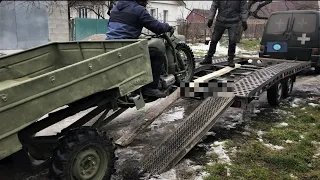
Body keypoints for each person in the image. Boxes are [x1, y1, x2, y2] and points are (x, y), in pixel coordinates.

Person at [106, 0, 174, 98]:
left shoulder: (115, 8)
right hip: (126, 48)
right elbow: (157, 27)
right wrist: (168, 27)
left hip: (110, 46)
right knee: (157, 55)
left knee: (145, 49)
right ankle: (150, 88)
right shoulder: (139, 10)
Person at [200, 0, 249, 67]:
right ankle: (208, 57)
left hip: (234, 22)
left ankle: (231, 59)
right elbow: (214, 6)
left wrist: (244, 21)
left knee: (232, 41)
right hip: (220, 21)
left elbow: (244, 9)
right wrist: (211, 18)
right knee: (214, 40)